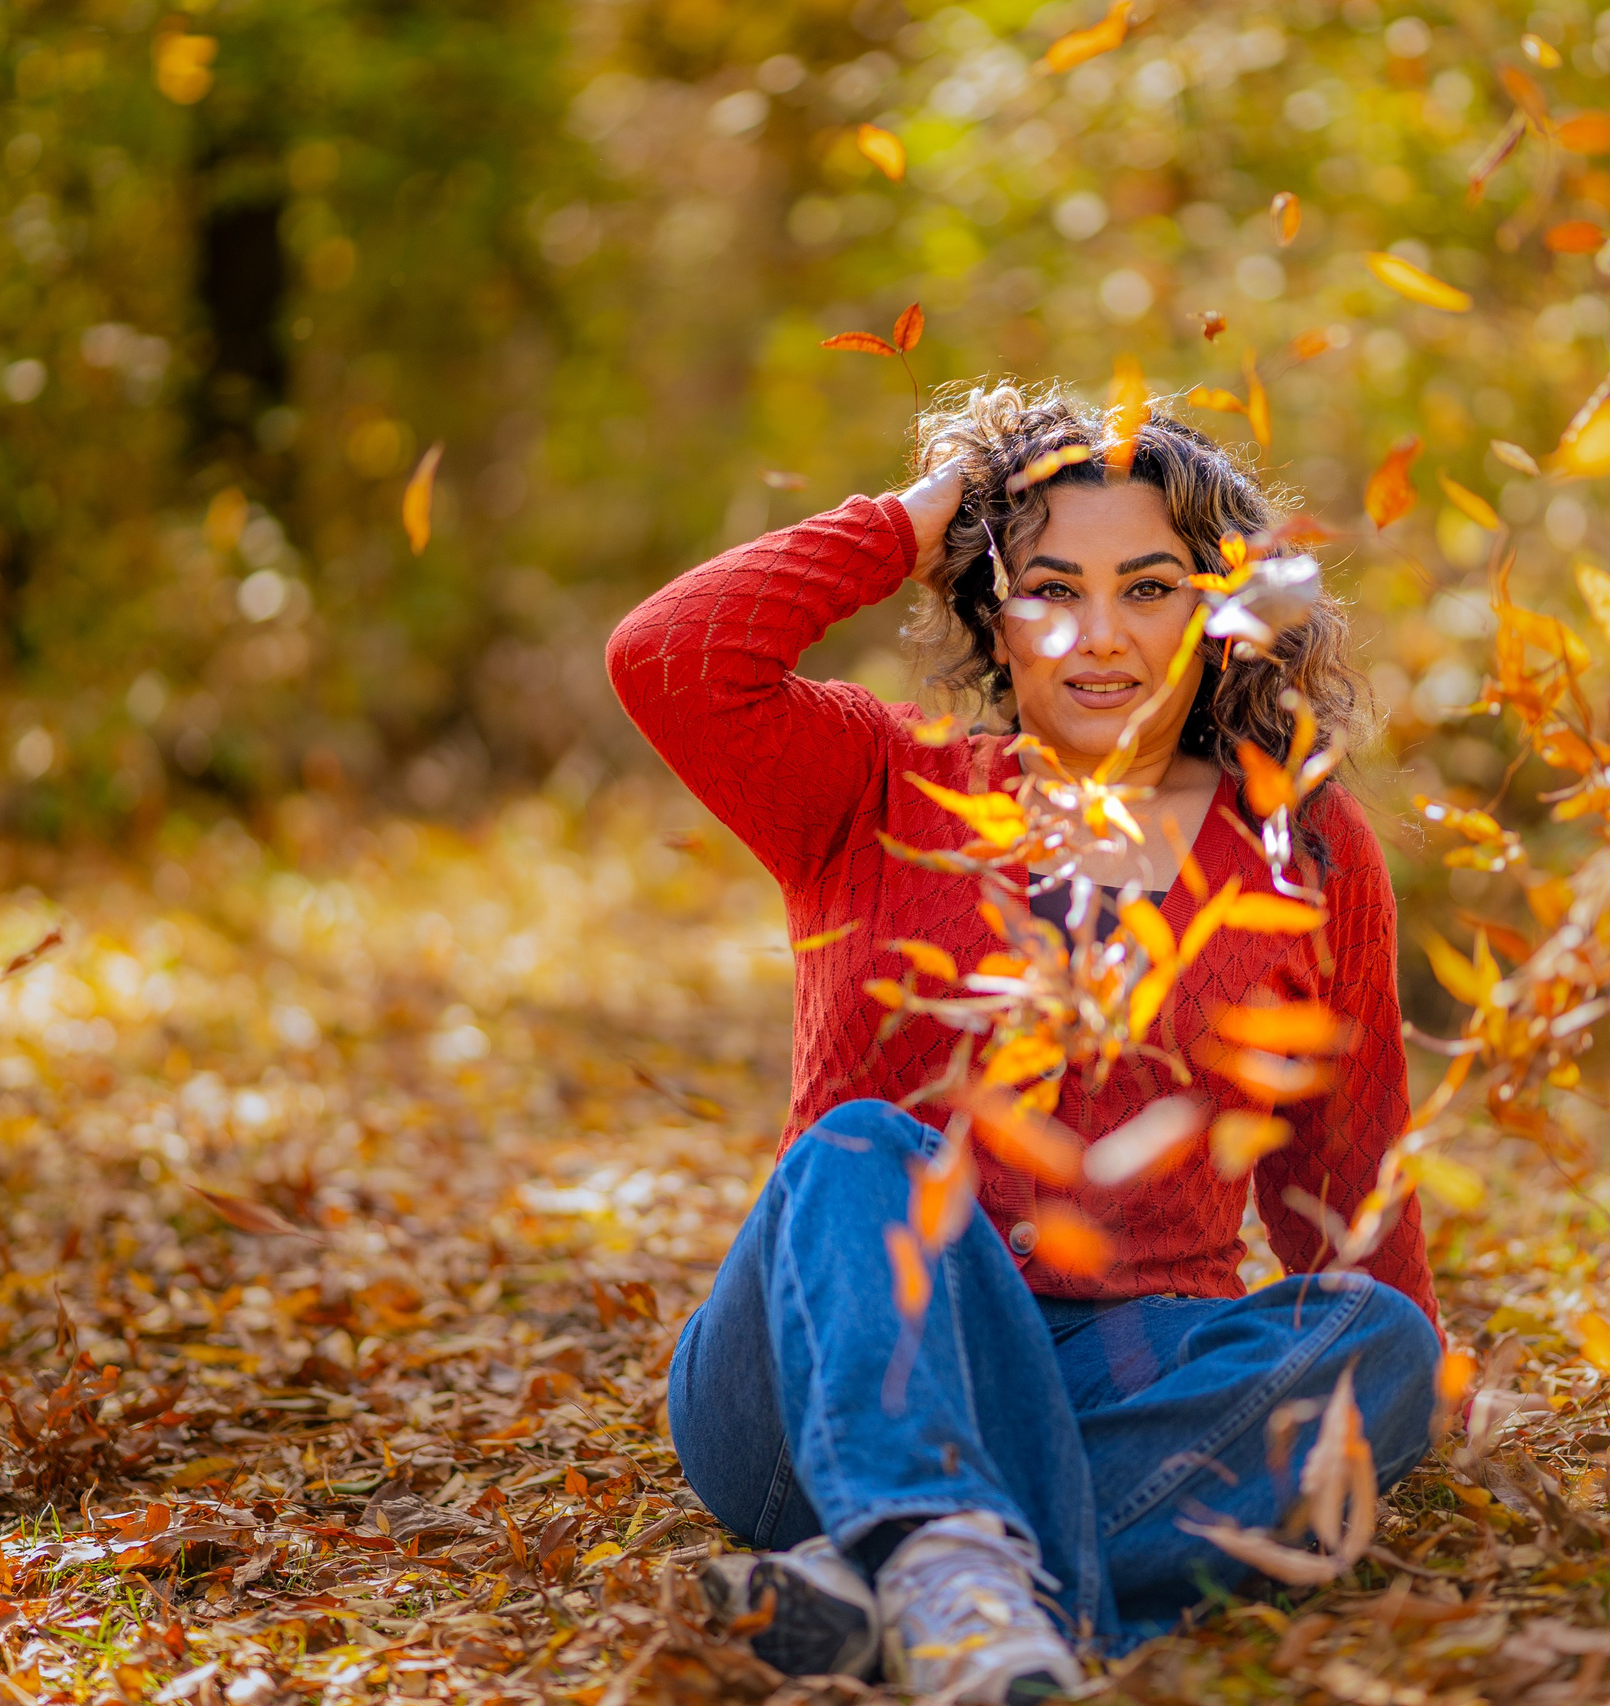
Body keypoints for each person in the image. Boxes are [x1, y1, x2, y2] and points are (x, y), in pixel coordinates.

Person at [606, 381, 1440, 1702]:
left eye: (1150, 589)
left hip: (1120, 1364)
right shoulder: (878, 785)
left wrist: (1408, 1388)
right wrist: (916, 518)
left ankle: (907, 1579)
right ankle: (963, 1554)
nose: (1100, 637)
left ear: (1218, 611)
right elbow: (671, 657)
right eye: (1051, 589)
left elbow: (1346, 1163)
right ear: (992, 611)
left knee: (1379, 1346)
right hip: (820, 1368)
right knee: (866, 1149)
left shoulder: (1303, 847)